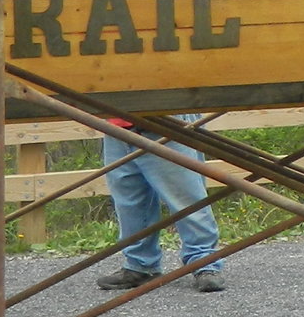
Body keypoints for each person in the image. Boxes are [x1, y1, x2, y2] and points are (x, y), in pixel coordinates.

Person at [94, 122, 225, 293]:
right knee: (129, 201)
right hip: (115, 124)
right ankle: (140, 265)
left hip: (164, 118)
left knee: (185, 197)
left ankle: (205, 263)